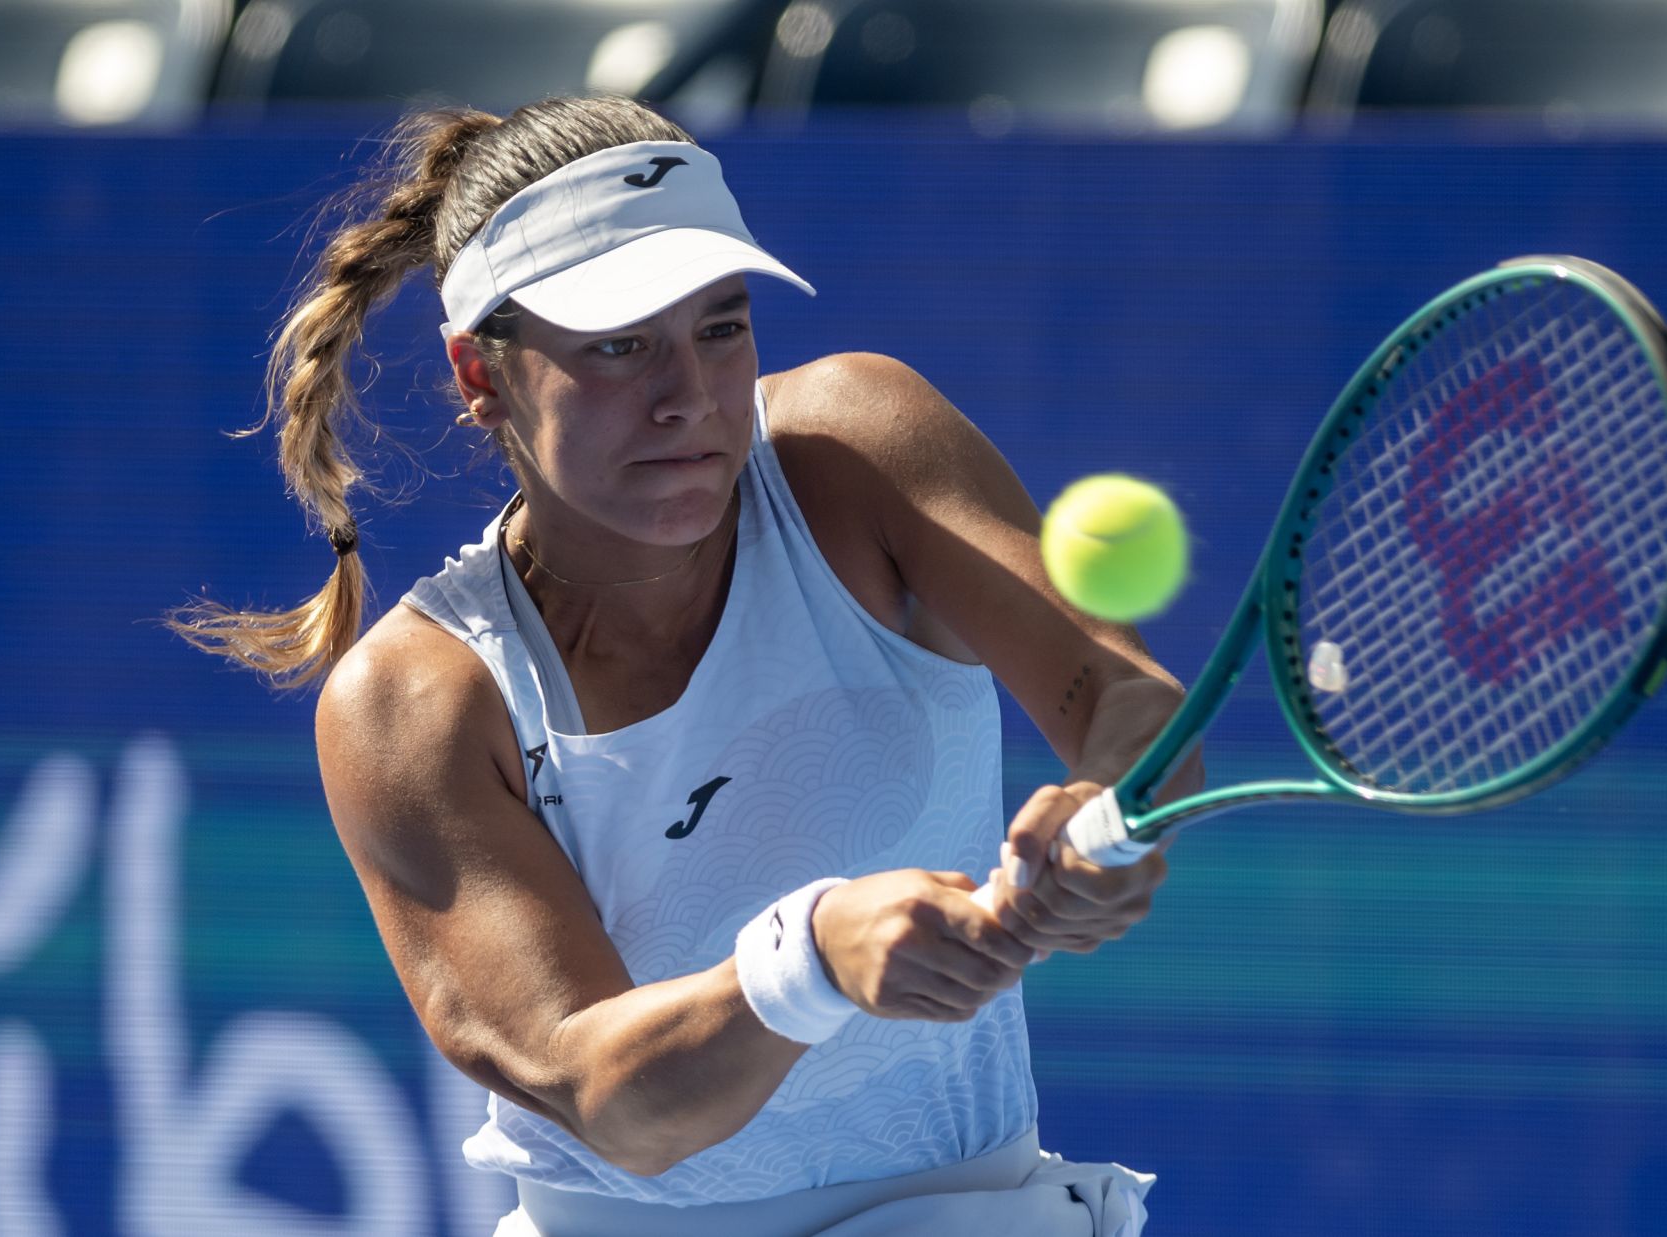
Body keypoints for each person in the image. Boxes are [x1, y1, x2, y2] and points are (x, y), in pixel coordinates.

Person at [173, 94, 1202, 1236]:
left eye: (721, 325)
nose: (690, 397)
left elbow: (1123, 703)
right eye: (620, 345)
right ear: (481, 374)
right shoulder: (414, 704)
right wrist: (808, 957)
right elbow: (606, 1098)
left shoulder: (858, 443)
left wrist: (1110, 821)